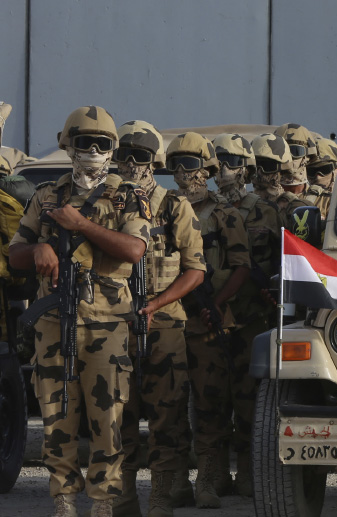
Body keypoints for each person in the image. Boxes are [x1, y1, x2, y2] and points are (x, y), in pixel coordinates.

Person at [9, 106, 151, 517]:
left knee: (107, 418)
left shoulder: (127, 196)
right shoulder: (46, 195)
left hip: (107, 325)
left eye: (101, 143)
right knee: (57, 416)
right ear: (67, 145)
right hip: (54, 322)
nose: (92, 150)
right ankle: (64, 499)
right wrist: (38, 249)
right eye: (84, 142)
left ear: (112, 149)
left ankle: (103, 501)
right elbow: (14, 253)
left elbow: (134, 250)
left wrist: (82, 225)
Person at [112, 121, 206, 517]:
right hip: (113, 324)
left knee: (167, 417)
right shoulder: (106, 203)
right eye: (125, 155)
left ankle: (162, 497)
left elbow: (195, 270)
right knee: (118, 415)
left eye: (142, 156)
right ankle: (123, 497)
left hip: (163, 325)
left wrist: (156, 304)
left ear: (155, 161)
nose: (133, 163)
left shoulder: (173, 206)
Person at [166, 132, 251, 508]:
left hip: (207, 323)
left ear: (207, 169)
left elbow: (241, 266)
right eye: (176, 165)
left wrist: (216, 303)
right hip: (168, 321)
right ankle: (175, 480)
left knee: (209, 405)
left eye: (191, 164)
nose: (184, 173)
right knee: (168, 406)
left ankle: (208, 479)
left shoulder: (224, 214)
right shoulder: (161, 209)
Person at [212, 132, 284, 496]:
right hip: (209, 316)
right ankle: (213, 473)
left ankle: (247, 472)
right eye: (219, 161)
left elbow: (282, 263)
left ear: (246, 168)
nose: (225, 168)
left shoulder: (266, 211)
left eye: (233, 161)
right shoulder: (202, 208)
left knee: (249, 400)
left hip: (251, 318)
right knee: (210, 399)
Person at [251, 133, 314, 236]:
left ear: (282, 169)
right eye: (255, 164)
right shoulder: (241, 204)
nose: (259, 171)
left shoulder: (298, 209)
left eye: (267, 165)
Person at [305, 136, 337, 214]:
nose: (318, 177)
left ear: (336, 170)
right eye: (311, 171)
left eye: (324, 169)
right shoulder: (300, 200)